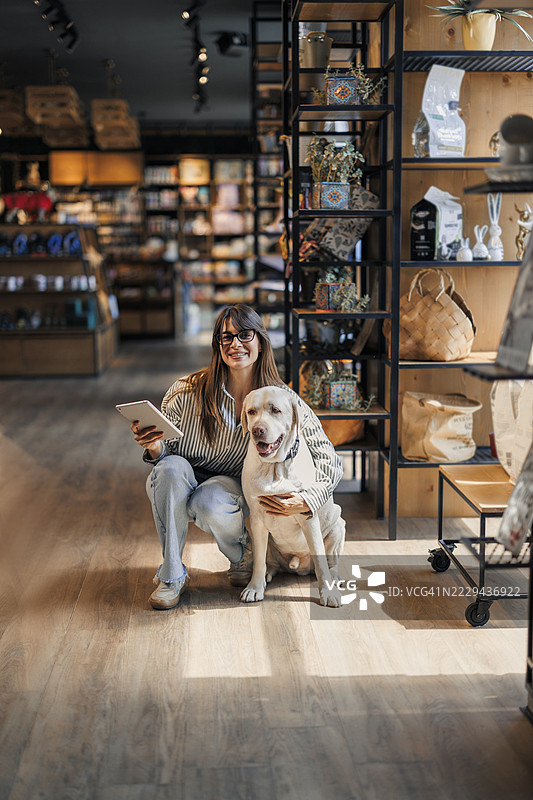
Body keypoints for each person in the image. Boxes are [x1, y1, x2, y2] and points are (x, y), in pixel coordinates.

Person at [131, 303, 343, 609]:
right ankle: (172, 575)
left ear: (260, 341)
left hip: (234, 490)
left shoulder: (284, 400)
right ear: (217, 344)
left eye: (245, 335)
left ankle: (242, 557)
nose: (235, 344)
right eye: (226, 337)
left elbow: (329, 460)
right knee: (168, 470)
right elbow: (168, 456)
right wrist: (153, 447)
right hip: (186, 476)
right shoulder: (184, 393)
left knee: (209, 500)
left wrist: (308, 499)